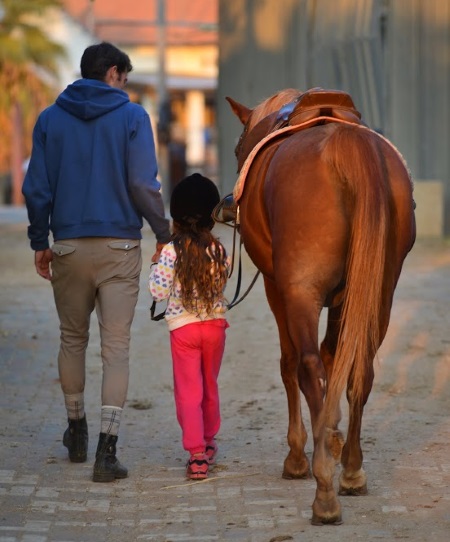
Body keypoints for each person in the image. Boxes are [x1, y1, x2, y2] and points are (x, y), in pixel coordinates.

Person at [22, 42, 171, 483]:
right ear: (111, 73)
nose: (124, 86)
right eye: (123, 78)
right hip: (120, 249)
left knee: (71, 339)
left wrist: (39, 240)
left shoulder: (49, 119)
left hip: (67, 246)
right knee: (116, 349)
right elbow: (143, 183)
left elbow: (37, 189)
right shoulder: (132, 117)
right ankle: (107, 453)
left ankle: (76, 431)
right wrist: (163, 232)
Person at [149, 173, 230, 480]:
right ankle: (209, 442)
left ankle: (196, 454)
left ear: (177, 217)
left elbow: (158, 293)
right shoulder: (218, 250)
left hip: (183, 329)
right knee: (210, 384)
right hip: (214, 327)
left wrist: (156, 264)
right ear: (212, 217)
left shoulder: (171, 251)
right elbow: (225, 276)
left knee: (188, 390)